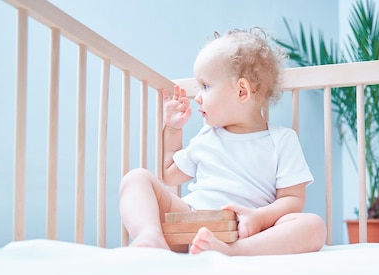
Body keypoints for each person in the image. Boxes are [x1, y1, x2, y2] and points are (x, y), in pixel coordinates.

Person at [119, 28, 327, 255]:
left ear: (241, 92)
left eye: (205, 86)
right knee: (135, 178)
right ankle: (150, 236)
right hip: (190, 221)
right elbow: (169, 174)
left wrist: (259, 217)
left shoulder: (281, 140)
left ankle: (237, 251)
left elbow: (292, 199)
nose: (197, 96)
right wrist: (172, 129)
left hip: (248, 230)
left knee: (314, 225)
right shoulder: (206, 135)